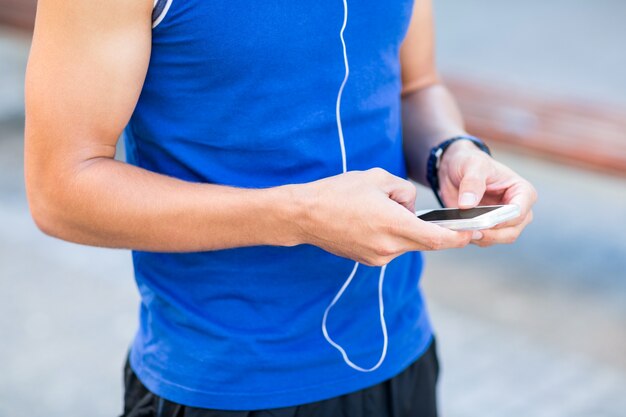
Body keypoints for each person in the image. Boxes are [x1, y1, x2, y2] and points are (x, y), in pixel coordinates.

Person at [24, 0, 537, 416]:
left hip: (401, 354)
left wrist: (451, 152)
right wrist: (297, 216)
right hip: (224, 384)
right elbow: (60, 190)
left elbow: (414, 85)